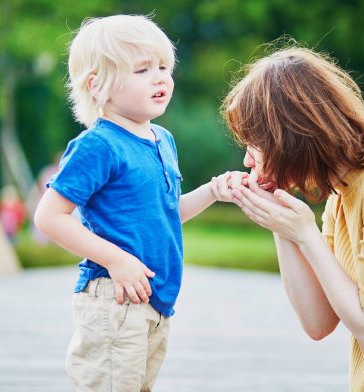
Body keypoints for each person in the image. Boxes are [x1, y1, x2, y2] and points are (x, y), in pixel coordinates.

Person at [34, 15, 242, 392]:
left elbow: (166, 213)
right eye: (142, 69)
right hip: (115, 301)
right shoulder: (98, 145)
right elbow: (49, 217)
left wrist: (213, 191)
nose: (160, 77)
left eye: (164, 67)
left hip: (154, 302)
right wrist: (115, 259)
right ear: (97, 86)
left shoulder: (162, 139)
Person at [222, 46, 364, 391]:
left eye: (254, 144)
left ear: (291, 133)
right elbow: (318, 322)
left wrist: (306, 235)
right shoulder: (342, 194)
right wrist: (281, 224)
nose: (247, 161)